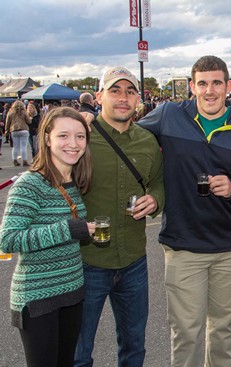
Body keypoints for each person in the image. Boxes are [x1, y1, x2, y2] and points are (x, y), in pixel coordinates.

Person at [138, 55, 231, 367]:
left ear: (228, 86)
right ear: (192, 87)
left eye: (217, 82)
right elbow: (131, 142)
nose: (209, 90)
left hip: (229, 245)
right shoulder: (168, 115)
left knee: (223, 331)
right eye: (202, 83)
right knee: (187, 332)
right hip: (183, 244)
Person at [74, 67, 165, 367]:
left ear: (139, 98)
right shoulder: (81, 137)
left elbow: (159, 182)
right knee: (78, 351)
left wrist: (155, 199)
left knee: (134, 347)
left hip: (134, 263)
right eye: (115, 91)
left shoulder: (147, 140)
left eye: (130, 91)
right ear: (99, 96)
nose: (123, 98)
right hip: (87, 263)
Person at [0, 107, 94, 367]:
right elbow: (8, 239)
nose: (73, 144)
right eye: (64, 136)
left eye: (80, 137)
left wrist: (84, 232)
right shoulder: (30, 184)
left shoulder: (73, 182)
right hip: (38, 296)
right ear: (47, 138)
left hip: (72, 290)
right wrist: (69, 229)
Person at [5, 100, 31, 166]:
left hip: (14, 130)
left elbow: (7, 122)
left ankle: (15, 160)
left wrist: (6, 130)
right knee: (23, 146)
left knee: (15, 146)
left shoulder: (10, 112)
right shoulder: (24, 112)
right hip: (24, 129)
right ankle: (24, 161)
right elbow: (29, 121)